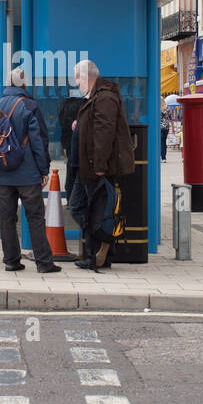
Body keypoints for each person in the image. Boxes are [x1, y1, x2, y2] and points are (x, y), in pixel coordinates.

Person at [0, 68, 60, 273]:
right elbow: (39, 142)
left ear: (7, 85)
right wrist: (44, 169)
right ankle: (44, 262)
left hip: (1, 171)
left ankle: (11, 261)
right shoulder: (29, 106)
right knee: (34, 216)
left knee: (7, 217)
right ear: (24, 85)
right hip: (27, 173)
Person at [71, 59, 135, 271]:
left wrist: (99, 166)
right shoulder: (96, 96)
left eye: (77, 78)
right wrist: (79, 127)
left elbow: (104, 132)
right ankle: (101, 246)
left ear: (87, 77)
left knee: (94, 210)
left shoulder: (105, 97)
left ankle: (98, 251)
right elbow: (93, 127)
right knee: (80, 206)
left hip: (96, 167)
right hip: (86, 165)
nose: (76, 83)